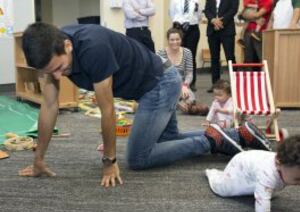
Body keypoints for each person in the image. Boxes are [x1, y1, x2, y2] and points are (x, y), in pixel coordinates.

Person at [19, 23, 272, 188]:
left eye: (59, 68)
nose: (57, 77)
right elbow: (49, 107)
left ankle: (211, 141)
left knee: (138, 158)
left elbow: (107, 110)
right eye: (49, 72)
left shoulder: (92, 49)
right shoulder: (49, 55)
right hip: (154, 84)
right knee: (171, 139)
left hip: (159, 85)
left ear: (67, 45)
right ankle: (238, 135)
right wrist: (39, 159)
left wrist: (109, 161)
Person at [157, 27, 208, 116]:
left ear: (181, 40)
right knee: (168, 98)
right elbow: (158, 75)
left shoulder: (187, 52)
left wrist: (185, 86)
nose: (175, 42)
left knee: (190, 100)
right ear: (168, 40)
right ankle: (176, 104)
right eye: (172, 40)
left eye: (177, 39)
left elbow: (189, 74)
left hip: (181, 85)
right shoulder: (161, 53)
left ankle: (178, 104)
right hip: (166, 85)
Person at [204, 0, 239, 93]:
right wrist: (213, 20)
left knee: (230, 57)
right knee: (214, 58)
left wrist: (220, 22)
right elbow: (207, 10)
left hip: (227, 30)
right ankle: (215, 85)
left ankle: (235, 84)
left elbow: (233, 10)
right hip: (212, 30)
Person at [169, 0, 202, 91]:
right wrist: (180, 22)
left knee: (191, 56)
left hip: (192, 28)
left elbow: (199, 16)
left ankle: (191, 82)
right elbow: (171, 14)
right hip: (179, 28)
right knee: (178, 55)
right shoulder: (174, 1)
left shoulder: (196, 1)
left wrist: (190, 22)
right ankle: (178, 80)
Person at [241, 0, 273, 65]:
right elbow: (242, 15)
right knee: (248, 59)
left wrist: (248, 14)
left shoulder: (268, 1)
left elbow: (256, 15)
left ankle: (264, 74)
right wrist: (255, 19)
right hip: (248, 32)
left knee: (261, 58)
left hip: (259, 34)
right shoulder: (253, 1)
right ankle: (249, 74)